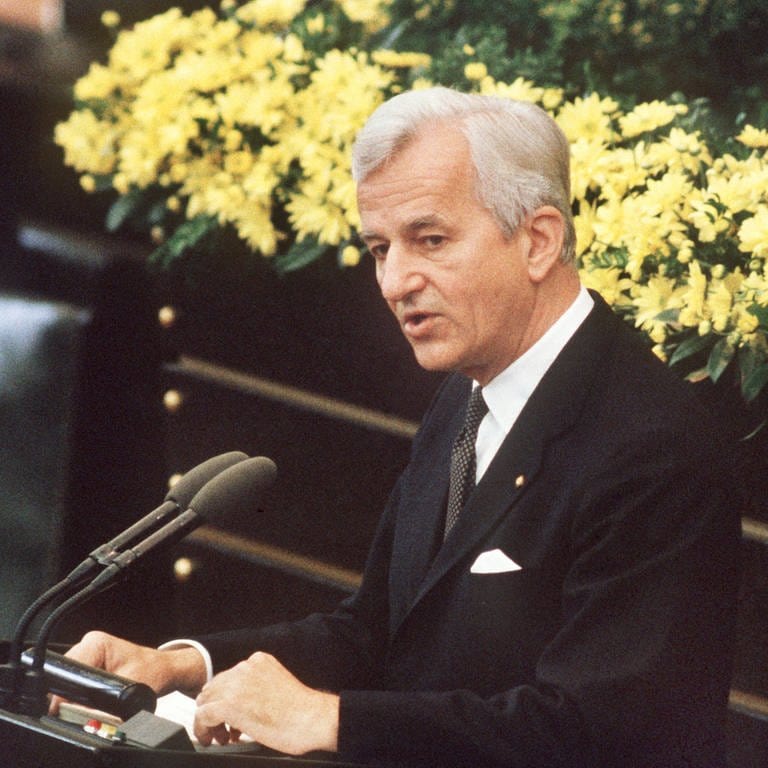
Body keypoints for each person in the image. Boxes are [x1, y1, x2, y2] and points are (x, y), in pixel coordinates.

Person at [57, 87, 742, 767]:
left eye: (430, 240)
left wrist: (331, 719)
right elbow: (377, 632)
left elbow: (606, 735)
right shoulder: (466, 396)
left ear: (538, 241)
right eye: (381, 248)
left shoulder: (654, 446)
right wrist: (180, 666)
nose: (394, 281)